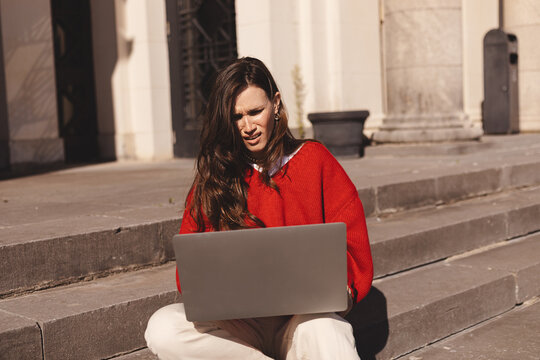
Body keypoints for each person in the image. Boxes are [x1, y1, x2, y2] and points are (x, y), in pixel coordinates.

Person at [144, 57, 373, 359]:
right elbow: (191, 268)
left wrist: (341, 288)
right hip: (237, 330)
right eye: (236, 116)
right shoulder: (215, 175)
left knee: (327, 332)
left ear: (276, 104)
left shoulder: (314, 160)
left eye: (255, 112)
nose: (247, 126)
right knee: (162, 328)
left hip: (302, 321)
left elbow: (353, 246)